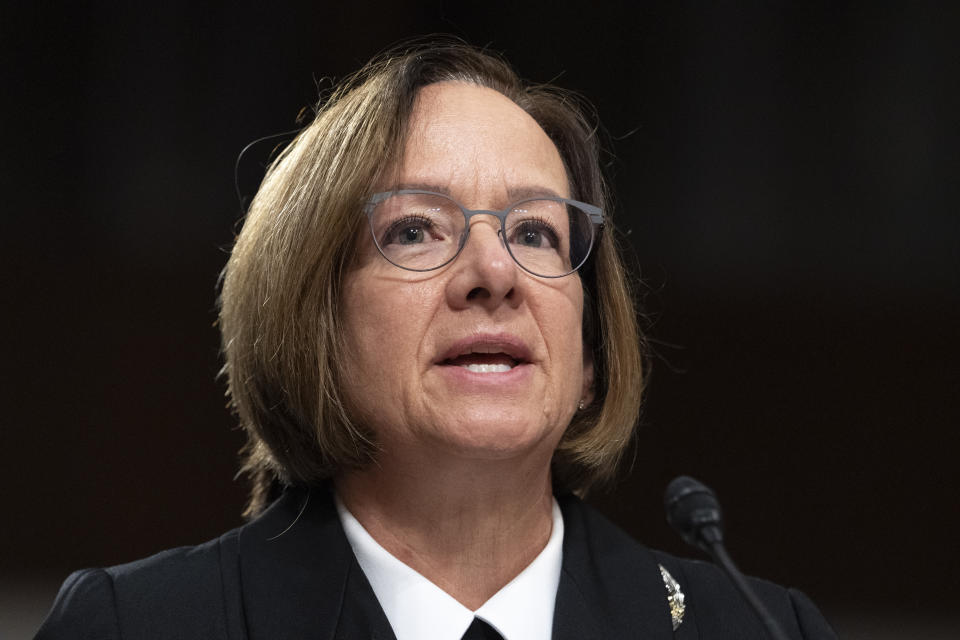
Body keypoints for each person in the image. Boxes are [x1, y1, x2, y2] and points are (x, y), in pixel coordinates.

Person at [37, 41, 837, 639]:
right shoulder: (137, 626)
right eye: (417, 230)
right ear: (311, 320)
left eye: (535, 233)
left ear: (589, 351)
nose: (494, 272)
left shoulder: (758, 630)